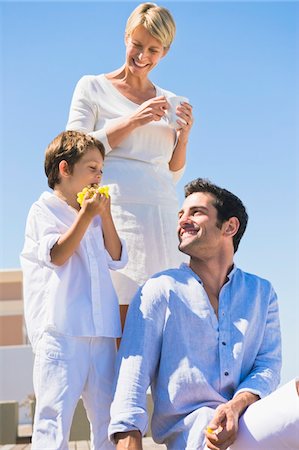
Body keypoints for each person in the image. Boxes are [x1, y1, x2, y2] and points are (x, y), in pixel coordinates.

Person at [108, 178, 299, 450]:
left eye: (196, 212)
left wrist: (235, 406)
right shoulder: (158, 290)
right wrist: (128, 441)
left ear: (230, 226)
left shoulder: (262, 293)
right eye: (181, 214)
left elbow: (267, 365)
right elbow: (131, 380)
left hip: (251, 423)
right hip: (195, 437)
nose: (183, 220)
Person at [66, 2, 194, 327]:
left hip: (162, 219)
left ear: (165, 51)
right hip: (117, 216)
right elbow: (73, 149)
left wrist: (185, 136)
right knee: (123, 322)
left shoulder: (171, 100)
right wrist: (133, 120)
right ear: (126, 37)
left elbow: (173, 172)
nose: (143, 55)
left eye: (154, 49)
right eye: (137, 44)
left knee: (166, 324)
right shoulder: (92, 87)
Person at [20, 130, 128, 450]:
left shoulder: (95, 212)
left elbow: (117, 257)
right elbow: (57, 255)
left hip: (101, 329)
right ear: (65, 169)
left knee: (108, 414)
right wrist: (86, 216)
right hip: (62, 330)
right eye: (91, 168)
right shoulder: (43, 210)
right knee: (54, 417)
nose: (98, 175)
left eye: (101, 170)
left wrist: (104, 216)